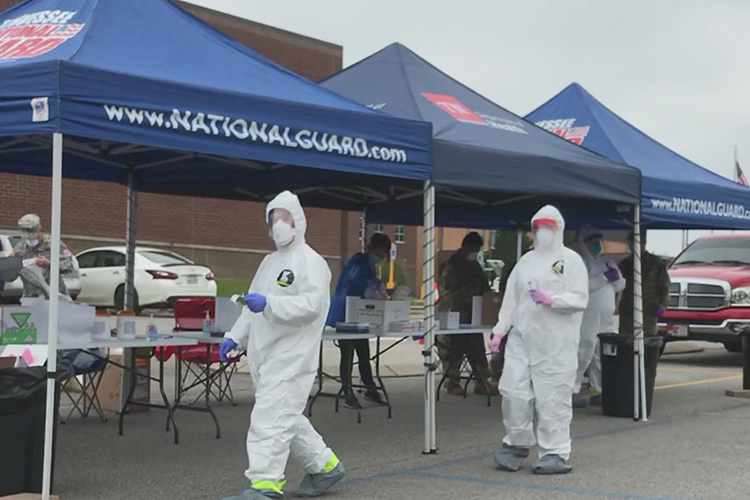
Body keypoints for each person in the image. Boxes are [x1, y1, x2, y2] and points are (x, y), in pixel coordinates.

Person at [219, 191, 344, 500]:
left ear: (298, 221)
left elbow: (313, 305)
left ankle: (264, 486)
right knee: (285, 416)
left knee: (269, 420)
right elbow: (252, 304)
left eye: (284, 218)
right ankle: (327, 467)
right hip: (266, 356)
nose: (278, 225)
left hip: (292, 358)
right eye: (273, 219)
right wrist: (235, 335)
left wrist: (271, 303)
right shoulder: (269, 262)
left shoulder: (311, 262)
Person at [489, 206, 588, 475]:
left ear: (558, 228)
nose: (542, 233)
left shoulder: (571, 261)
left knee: (552, 397)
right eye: (537, 227)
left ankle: (555, 452)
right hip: (521, 339)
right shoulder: (525, 262)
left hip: (555, 343)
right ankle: (515, 444)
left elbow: (580, 298)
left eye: (548, 227)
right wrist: (499, 330)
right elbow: (511, 300)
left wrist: (551, 299)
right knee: (512, 392)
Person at [326, 233, 389, 409]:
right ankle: (347, 391)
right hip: (345, 313)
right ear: (373, 249)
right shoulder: (359, 261)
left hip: (357, 314)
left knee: (363, 353)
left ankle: (369, 388)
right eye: (380, 254)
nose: (381, 259)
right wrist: (378, 287)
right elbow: (363, 282)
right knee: (348, 354)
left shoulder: (367, 263)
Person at [437, 232, 498, 397]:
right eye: (474, 249)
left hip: (473, 314)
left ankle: (482, 381)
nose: (475, 253)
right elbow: (448, 291)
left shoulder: (474, 266)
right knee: (453, 351)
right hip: (454, 314)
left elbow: (484, 288)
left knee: (477, 349)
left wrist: (488, 302)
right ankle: (452, 382)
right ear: (466, 246)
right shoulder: (451, 264)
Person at [572, 226, 626, 408]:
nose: (596, 245)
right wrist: (603, 278)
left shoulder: (607, 262)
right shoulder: (579, 263)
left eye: (597, 241)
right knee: (583, 350)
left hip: (606, 317)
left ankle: (600, 390)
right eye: (591, 241)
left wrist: (616, 279)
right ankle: (571, 390)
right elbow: (581, 287)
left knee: (601, 354)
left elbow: (619, 286)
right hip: (587, 315)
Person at [618, 231, 670, 337]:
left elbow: (664, 286)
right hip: (628, 312)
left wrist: (662, 305)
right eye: (631, 242)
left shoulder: (655, 262)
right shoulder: (625, 264)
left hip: (648, 312)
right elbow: (617, 286)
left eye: (636, 242)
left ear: (644, 243)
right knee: (626, 344)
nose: (633, 245)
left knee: (647, 343)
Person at [13, 214, 74, 298]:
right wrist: (10, 264)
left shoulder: (54, 244)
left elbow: (69, 265)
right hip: (31, 297)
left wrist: (49, 264)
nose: (30, 240)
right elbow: (11, 277)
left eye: (32, 236)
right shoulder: (20, 247)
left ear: (40, 229)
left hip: (54, 297)